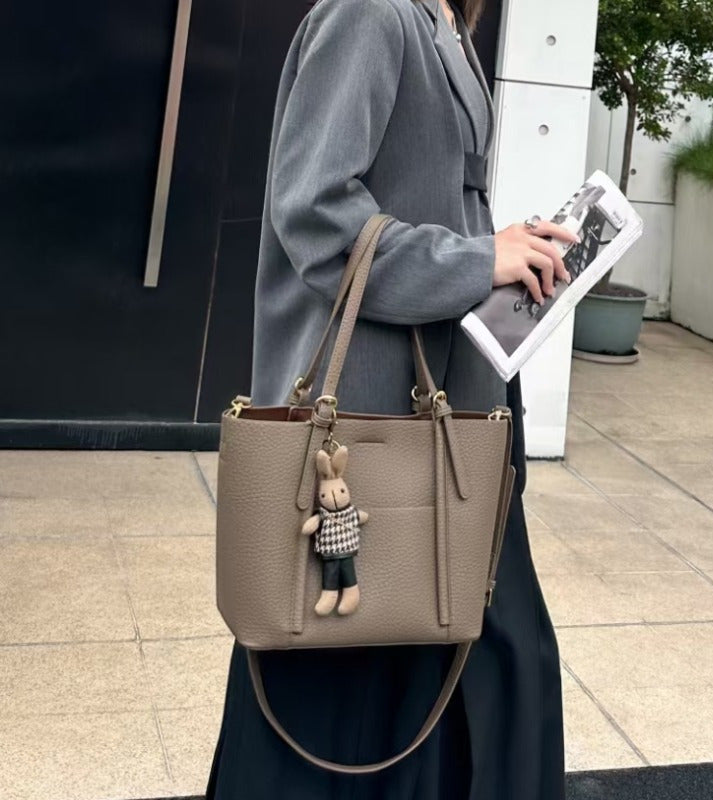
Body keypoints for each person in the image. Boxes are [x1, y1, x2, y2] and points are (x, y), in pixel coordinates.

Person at [205, 0, 576, 797]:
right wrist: (479, 261)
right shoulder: (370, 13)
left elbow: (427, 210)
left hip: (445, 422)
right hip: (377, 429)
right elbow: (315, 214)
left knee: (456, 661)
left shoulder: (445, 23)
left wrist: (511, 252)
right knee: (365, 670)